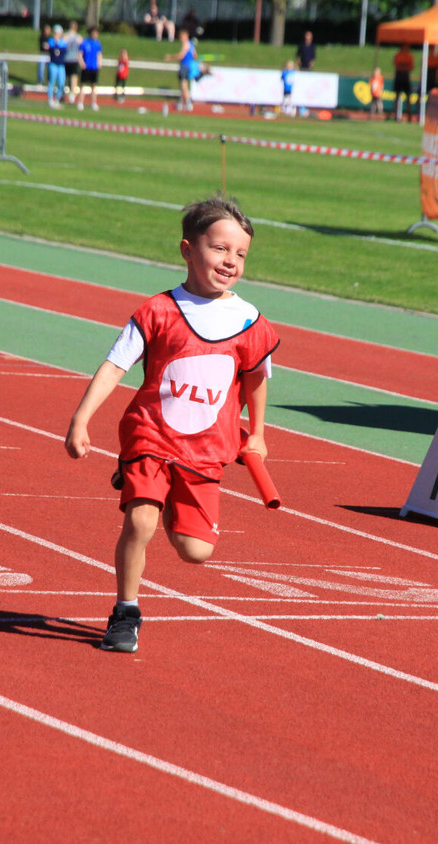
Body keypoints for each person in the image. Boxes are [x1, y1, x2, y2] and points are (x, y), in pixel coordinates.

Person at [65, 196, 280, 653]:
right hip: (152, 435)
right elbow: (114, 366)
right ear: (187, 250)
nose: (230, 261)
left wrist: (258, 433)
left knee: (194, 550)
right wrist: (81, 420)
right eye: (219, 249)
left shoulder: (250, 322)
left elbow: (257, 379)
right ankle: (126, 612)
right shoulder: (158, 312)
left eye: (240, 254)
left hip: (206, 448)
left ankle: (158, 497)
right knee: (140, 523)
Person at [166, 29, 201, 111]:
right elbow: (195, 56)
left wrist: (170, 57)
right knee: (183, 85)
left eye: (181, 37)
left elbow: (181, 55)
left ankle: (188, 102)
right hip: (189, 66)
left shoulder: (186, 44)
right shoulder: (192, 44)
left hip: (184, 66)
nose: (180, 38)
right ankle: (180, 103)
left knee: (183, 85)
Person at [77, 26, 102, 111]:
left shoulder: (97, 43)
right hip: (86, 66)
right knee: (83, 84)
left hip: (94, 67)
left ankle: (93, 103)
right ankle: (80, 102)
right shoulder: (84, 42)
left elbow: (99, 54)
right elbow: (80, 54)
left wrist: (99, 63)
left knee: (94, 85)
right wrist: (82, 63)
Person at [45, 25, 67, 108]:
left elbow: (62, 51)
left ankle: (57, 99)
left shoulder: (63, 42)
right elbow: (51, 49)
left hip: (61, 65)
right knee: (52, 82)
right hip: (53, 64)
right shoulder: (51, 41)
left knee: (61, 83)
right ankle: (50, 99)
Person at [392, 43, 415, 121]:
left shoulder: (409, 56)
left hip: (405, 77)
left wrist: (403, 66)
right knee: (397, 97)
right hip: (399, 76)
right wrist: (404, 66)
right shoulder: (398, 55)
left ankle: (409, 116)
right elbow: (396, 66)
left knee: (408, 97)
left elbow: (411, 67)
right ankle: (396, 116)